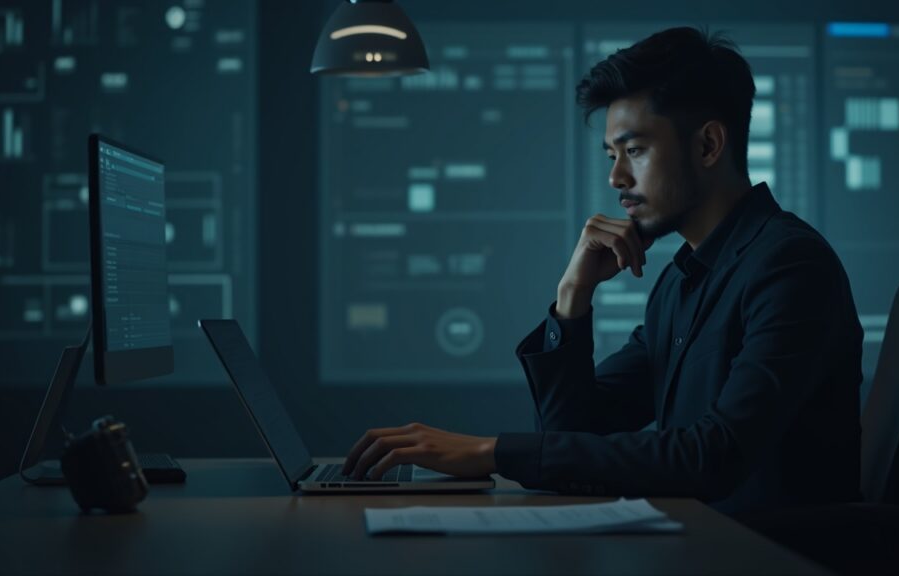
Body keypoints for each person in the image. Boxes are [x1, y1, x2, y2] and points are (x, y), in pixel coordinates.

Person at [340, 26, 863, 515]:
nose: (616, 177)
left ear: (708, 145)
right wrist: (573, 295)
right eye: (612, 154)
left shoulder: (790, 266)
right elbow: (573, 437)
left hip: (768, 557)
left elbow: (715, 455)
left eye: (634, 150)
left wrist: (489, 452)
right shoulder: (679, 283)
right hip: (699, 547)